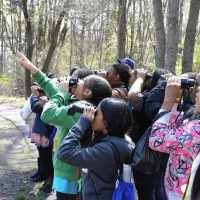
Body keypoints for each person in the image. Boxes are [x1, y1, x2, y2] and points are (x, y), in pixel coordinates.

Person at [18, 52, 112, 200]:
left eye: (81, 81)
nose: (75, 82)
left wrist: (62, 92)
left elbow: (47, 114)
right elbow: (53, 91)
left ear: (87, 92)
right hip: (71, 170)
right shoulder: (86, 105)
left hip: (70, 174)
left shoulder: (80, 110)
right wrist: (33, 69)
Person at [57, 98, 135, 200]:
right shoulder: (122, 140)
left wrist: (82, 123)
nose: (92, 115)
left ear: (106, 122)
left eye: (96, 112)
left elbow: (63, 153)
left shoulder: (105, 151)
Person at [149, 76, 200, 200]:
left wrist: (168, 101)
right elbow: (176, 129)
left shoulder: (196, 131)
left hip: (183, 193)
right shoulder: (195, 121)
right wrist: (176, 99)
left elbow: (156, 140)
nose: (197, 89)